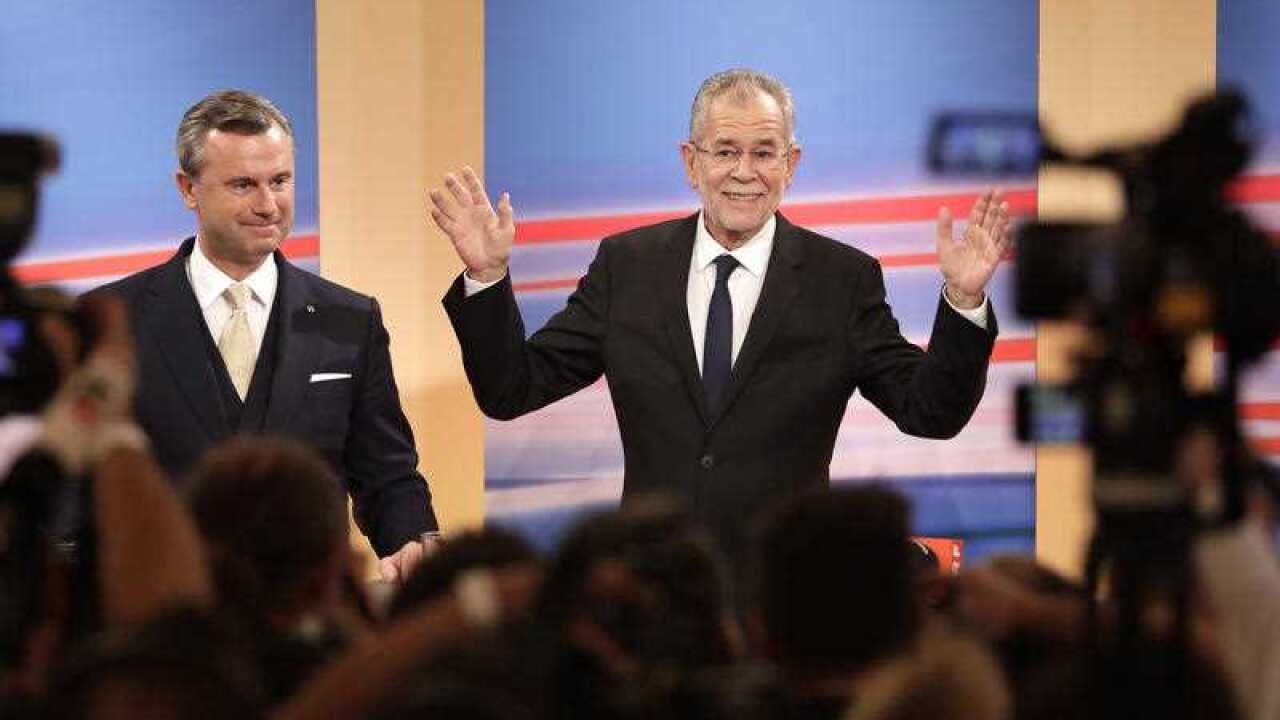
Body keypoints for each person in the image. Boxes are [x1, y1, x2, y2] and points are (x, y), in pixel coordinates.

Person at [432, 68, 1008, 559]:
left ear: (792, 163)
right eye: (726, 151)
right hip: (654, 590)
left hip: (783, 596)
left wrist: (962, 302)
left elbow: (930, 411)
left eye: (764, 153)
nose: (744, 172)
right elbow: (512, 390)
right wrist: (487, 278)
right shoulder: (627, 265)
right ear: (691, 161)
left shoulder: (842, 280)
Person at [95, 90, 437, 581]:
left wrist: (412, 541)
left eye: (280, 181)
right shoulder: (112, 319)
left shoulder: (350, 319)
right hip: (167, 620)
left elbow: (387, 474)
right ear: (188, 189)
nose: (268, 205)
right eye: (243, 185)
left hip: (307, 621)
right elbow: (80, 484)